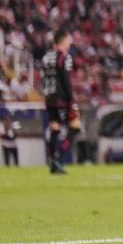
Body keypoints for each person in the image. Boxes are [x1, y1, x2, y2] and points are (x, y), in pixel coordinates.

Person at [40, 30, 79, 175]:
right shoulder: (64, 57)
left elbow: (43, 78)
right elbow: (65, 79)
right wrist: (71, 99)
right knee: (75, 128)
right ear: (62, 41)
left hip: (49, 99)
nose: (70, 44)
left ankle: (53, 160)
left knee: (55, 129)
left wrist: (46, 94)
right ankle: (60, 159)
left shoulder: (46, 57)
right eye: (68, 41)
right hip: (62, 99)